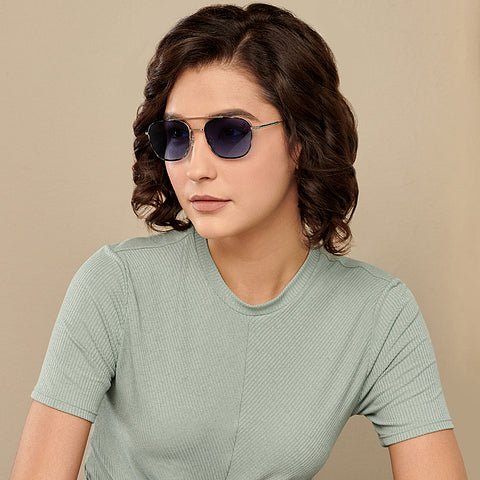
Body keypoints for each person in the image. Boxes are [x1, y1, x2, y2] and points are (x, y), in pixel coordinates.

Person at [10, 3, 467, 479]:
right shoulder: (116, 284)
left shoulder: (377, 312)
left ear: (301, 141)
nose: (196, 168)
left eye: (230, 133)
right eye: (177, 136)